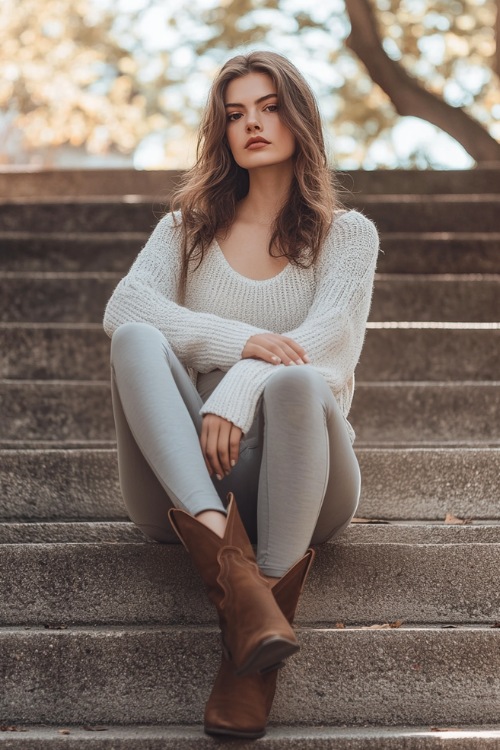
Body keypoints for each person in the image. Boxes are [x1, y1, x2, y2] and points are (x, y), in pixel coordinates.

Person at [103, 50, 379, 739]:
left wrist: (246, 377)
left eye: (268, 106)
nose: (251, 123)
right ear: (221, 132)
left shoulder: (346, 237)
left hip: (306, 481)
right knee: (135, 339)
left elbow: (330, 342)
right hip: (193, 475)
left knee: (292, 378)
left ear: (299, 117)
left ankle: (257, 645)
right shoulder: (186, 229)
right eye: (235, 114)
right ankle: (241, 590)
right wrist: (242, 341)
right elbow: (124, 307)